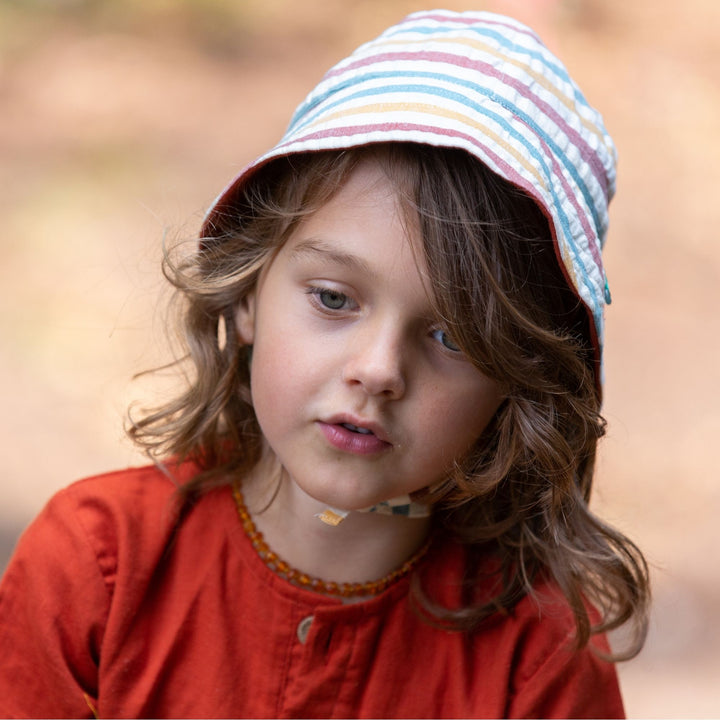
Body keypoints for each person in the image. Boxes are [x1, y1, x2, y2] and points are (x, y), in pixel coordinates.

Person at [0, 9, 649, 718]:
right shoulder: (98, 566)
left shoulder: (540, 655)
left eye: (454, 338)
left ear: (518, 386)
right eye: (335, 298)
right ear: (249, 292)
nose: (377, 371)